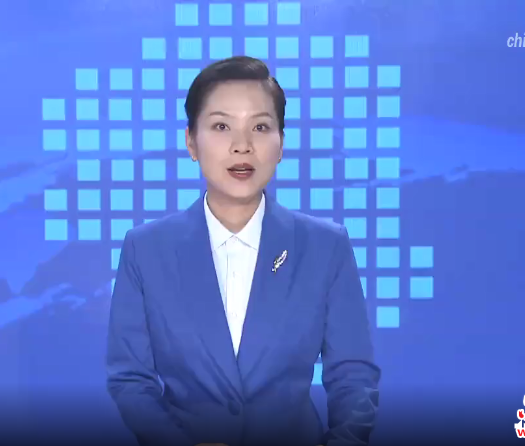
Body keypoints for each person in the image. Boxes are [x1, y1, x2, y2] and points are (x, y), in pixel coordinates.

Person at [106, 56, 380, 446]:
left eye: (260, 127)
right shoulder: (146, 249)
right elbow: (130, 379)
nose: (242, 146)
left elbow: (353, 377)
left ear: (281, 143)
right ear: (191, 142)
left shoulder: (326, 247)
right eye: (221, 126)